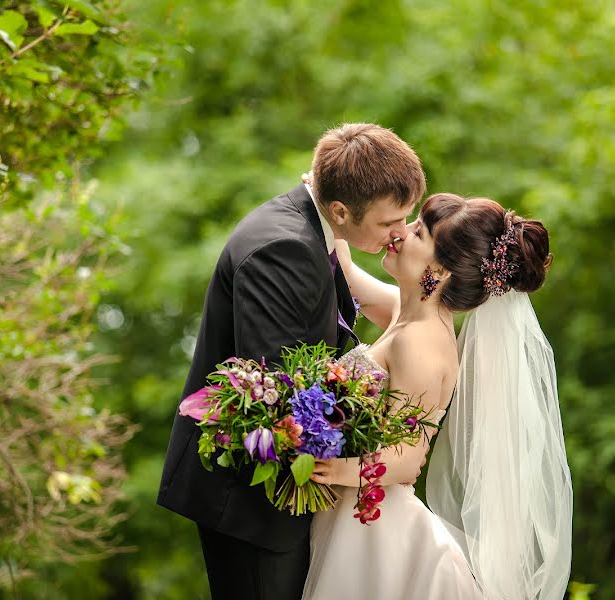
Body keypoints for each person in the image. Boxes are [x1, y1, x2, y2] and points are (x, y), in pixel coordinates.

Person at [157, 123, 426, 600]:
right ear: (341, 209)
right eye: (389, 223)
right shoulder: (282, 250)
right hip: (251, 504)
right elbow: (285, 397)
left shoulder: (317, 225)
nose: (398, 234)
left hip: (286, 494)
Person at [304, 192, 573, 599]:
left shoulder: (424, 344)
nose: (400, 231)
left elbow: (407, 459)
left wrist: (331, 469)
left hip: (376, 533)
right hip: (355, 515)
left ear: (440, 272)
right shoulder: (409, 312)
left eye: (417, 232)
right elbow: (346, 275)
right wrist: (328, 201)